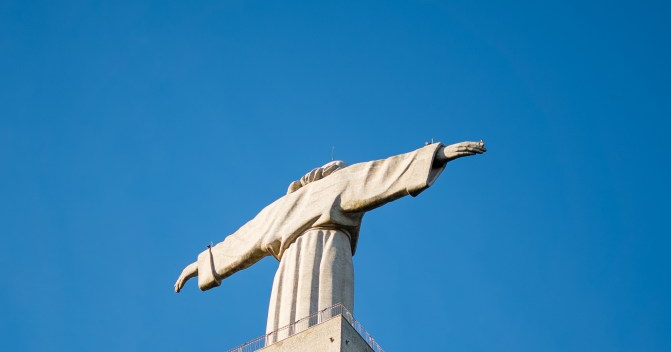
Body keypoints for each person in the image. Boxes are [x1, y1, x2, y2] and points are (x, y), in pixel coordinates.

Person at [175, 140, 486, 336]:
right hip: (308, 255)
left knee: (321, 325)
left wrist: (435, 156)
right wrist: (202, 264)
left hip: (325, 249)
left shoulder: (308, 196)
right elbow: (243, 240)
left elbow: (382, 173)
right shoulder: (311, 195)